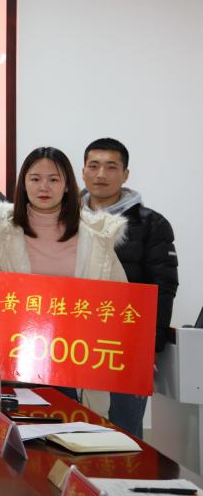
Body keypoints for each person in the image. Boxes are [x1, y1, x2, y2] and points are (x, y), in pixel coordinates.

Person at [0, 147, 127, 395]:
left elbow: (120, 300)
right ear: (23, 183)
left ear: (67, 185)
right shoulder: (0, 235)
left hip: (79, 368)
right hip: (15, 363)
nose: (44, 187)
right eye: (35, 179)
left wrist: (134, 351)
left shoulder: (96, 237)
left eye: (53, 179)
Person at [82, 137, 178, 438]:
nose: (101, 174)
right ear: (83, 172)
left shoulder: (151, 224)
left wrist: (148, 348)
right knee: (72, 432)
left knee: (122, 437)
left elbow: (163, 287)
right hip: (72, 344)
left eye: (111, 167)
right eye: (94, 166)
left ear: (125, 174)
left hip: (123, 347)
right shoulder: (65, 219)